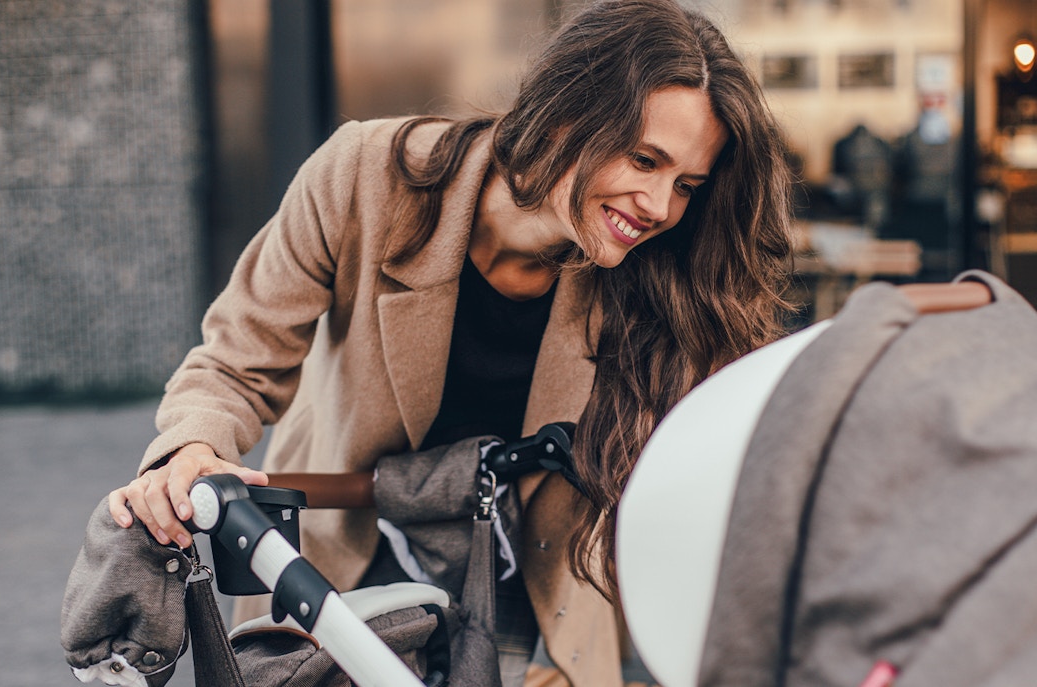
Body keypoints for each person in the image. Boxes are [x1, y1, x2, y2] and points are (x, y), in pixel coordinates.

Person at [108, 0, 794, 684]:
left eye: (686, 185)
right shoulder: (364, 178)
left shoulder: (659, 278)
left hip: (534, 577)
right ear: (564, 114)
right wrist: (192, 448)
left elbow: (717, 452)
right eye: (645, 159)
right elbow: (238, 353)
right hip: (343, 550)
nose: (659, 206)